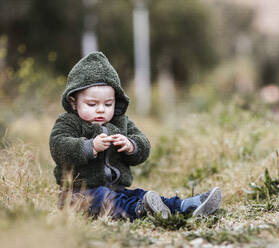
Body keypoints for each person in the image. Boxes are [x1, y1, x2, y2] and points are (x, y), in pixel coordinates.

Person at [49, 51, 222, 221]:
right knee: (104, 198)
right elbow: (59, 146)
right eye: (92, 104)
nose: (101, 109)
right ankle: (142, 210)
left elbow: (143, 143)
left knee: (141, 194)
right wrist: (89, 146)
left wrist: (131, 145)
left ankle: (185, 206)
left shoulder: (121, 122)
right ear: (73, 102)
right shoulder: (68, 122)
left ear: (116, 101)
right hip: (79, 194)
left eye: (108, 104)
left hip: (117, 189)